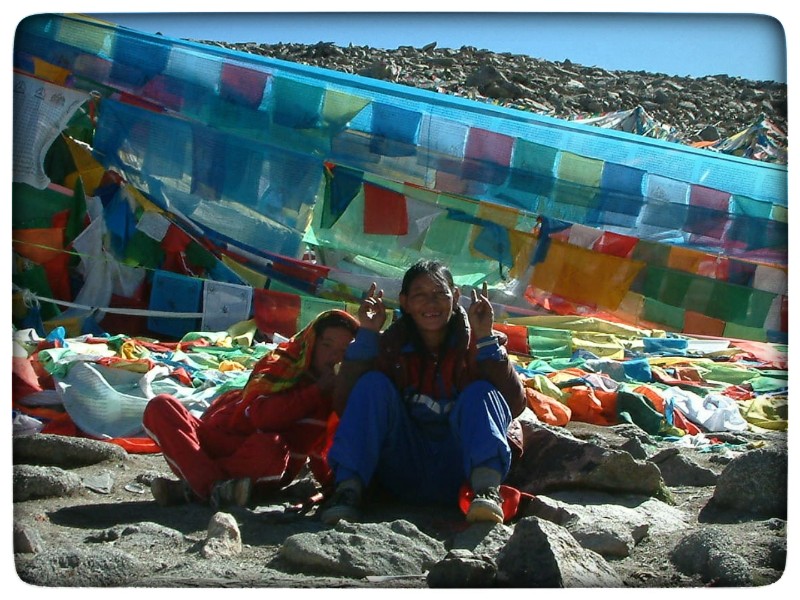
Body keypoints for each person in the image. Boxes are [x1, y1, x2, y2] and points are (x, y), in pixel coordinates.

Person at [320, 259, 526, 526]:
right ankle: (347, 491)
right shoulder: (389, 347)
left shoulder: (479, 342)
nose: (431, 304)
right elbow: (347, 406)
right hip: (401, 466)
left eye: (440, 294)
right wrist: (368, 334)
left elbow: (514, 404)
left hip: (460, 470)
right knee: (372, 385)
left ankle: (487, 491)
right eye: (420, 295)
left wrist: (486, 336)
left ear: (456, 297)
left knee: (482, 392)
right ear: (404, 302)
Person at [142, 309, 359, 510]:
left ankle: (196, 487)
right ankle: (214, 489)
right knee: (161, 406)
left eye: (343, 351)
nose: (333, 357)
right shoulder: (279, 363)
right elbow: (261, 415)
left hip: (260, 460)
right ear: (311, 342)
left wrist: (337, 487)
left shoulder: (336, 394)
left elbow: (323, 450)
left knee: (271, 446)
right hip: (219, 440)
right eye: (327, 345)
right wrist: (314, 391)